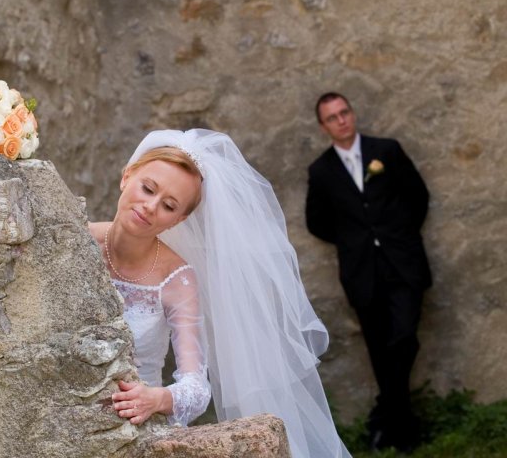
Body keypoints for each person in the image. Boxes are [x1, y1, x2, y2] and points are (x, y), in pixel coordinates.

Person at [89, 129, 351, 457]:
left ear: (179, 219)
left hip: (135, 428)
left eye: (169, 205)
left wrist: (157, 398)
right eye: (148, 188)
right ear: (127, 176)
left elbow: (197, 388)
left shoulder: (177, 278)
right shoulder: (75, 237)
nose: (151, 206)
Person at [305, 92, 431, 452]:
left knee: (403, 338)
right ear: (324, 126)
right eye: (332, 117)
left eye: (344, 112)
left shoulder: (386, 150)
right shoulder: (321, 170)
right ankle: (403, 431)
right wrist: (354, 240)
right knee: (379, 350)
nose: (341, 120)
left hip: (403, 264)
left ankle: (383, 416)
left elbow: (418, 197)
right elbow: (316, 222)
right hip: (362, 274)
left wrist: (398, 234)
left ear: (352, 113)